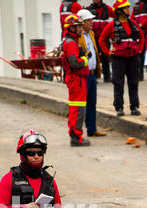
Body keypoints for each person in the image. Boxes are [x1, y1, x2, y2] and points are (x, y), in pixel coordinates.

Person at [99, 0, 145, 117]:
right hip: (119, 59)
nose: (128, 10)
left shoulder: (133, 23)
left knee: (134, 82)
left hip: (133, 58)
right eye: (125, 8)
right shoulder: (111, 25)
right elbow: (101, 40)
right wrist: (108, 51)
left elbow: (142, 37)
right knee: (118, 83)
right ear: (119, 11)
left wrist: (139, 49)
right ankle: (119, 107)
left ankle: (134, 107)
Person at [62, 14, 91, 146]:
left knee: (76, 108)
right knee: (78, 109)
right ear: (71, 28)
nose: (81, 29)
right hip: (76, 80)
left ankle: (75, 135)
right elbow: (74, 63)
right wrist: (85, 59)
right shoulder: (72, 43)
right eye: (78, 26)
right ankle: (76, 137)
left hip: (76, 80)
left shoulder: (71, 41)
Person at [78, 8, 107, 138]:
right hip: (83, 74)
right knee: (82, 103)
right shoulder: (78, 37)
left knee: (92, 102)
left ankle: (92, 128)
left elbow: (94, 52)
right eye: (89, 20)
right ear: (82, 22)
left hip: (91, 73)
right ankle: (79, 131)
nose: (92, 22)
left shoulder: (91, 34)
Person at [86, 0, 115, 82]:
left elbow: (116, 17)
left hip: (105, 37)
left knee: (106, 56)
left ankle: (107, 77)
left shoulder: (108, 9)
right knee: (94, 56)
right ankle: (94, 77)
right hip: (93, 37)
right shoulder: (88, 9)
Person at [131, 0, 147, 80]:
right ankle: (139, 75)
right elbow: (132, 18)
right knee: (139, 53)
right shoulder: (136, 6)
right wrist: (135, 27)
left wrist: (141, 25)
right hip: (139, 32)